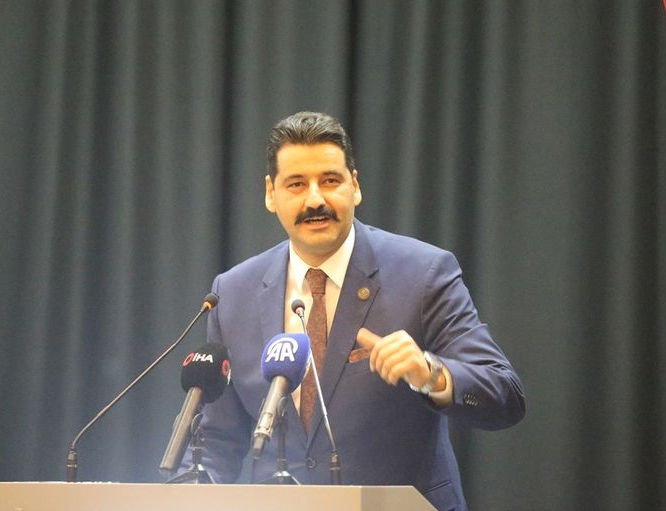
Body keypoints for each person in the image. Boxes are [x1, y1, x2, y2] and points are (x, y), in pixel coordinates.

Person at [190, 111, 525, 511]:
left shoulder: (423, 273)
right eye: (296, 184)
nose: (315, 199)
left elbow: (504, 394)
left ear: (355, 185)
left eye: (330, 181)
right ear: (270, 194)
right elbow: (218, 440)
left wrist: (431, 373)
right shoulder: (233, 292)